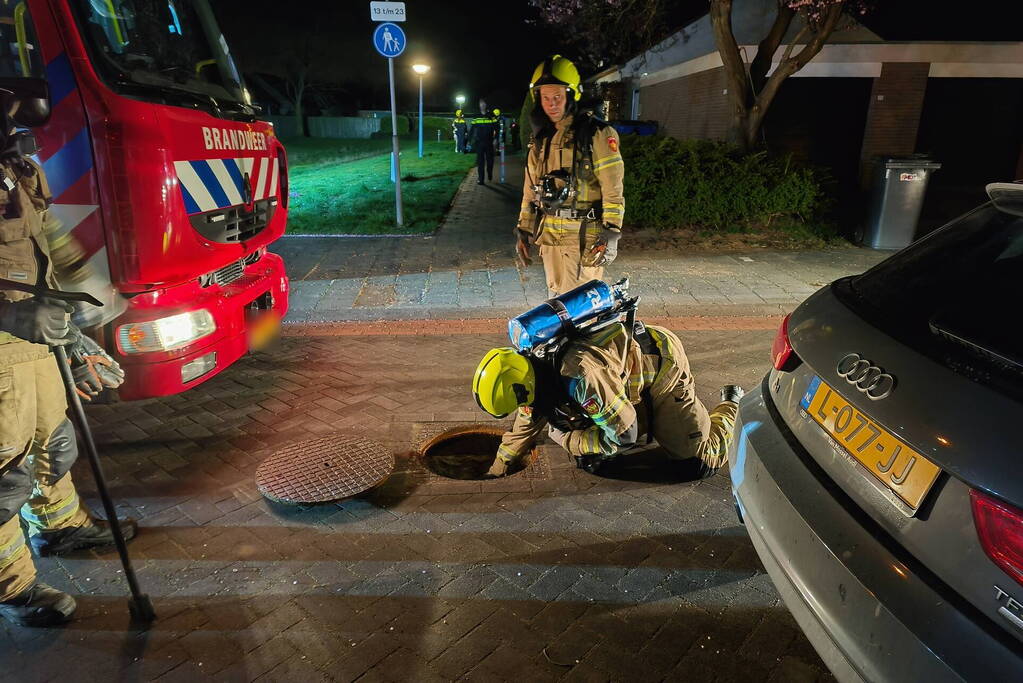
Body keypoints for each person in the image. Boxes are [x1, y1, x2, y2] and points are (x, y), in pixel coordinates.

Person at [0, 91, 135, 628]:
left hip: (36, 332)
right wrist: (8, 319)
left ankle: (60, 526)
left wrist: (78, 332)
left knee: (52, 438)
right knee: (5, 472)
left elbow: (47, 242)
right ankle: (13, 586)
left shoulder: (15, 168)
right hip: (9, 331)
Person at [472, 318, 744, 478]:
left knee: (695, 464)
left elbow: (626, 435)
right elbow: (524, 427)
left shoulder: (581, 378)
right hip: (617, 378)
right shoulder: (529, 371)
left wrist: (572, 441)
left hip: (662, 367)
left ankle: (732, 404)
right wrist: (498, 468)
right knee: (594, 456)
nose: (523, 409)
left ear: (524, 387)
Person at [515, 55, 625, 296]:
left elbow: (613, 189)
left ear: (571, 95)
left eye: (557, 97)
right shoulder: (541, 141)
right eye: (545, 97)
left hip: (584, 240)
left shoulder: (596, 134)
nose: (551, 104)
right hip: (550, 239)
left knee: (583, 314)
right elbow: (530, 191)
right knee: (559, 310)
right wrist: (523, 229)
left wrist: (612, 233)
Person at [469, 99, 497, 185]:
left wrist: (496, 139)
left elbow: (497, 128)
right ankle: (481, 179)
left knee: (490, 161)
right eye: (481, 103)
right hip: (479, 142)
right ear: (479, 105)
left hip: (489, 142)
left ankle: (489, 172)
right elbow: (472, 129)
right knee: (480, 162)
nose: (482, 105)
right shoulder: (476, 116)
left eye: (484, 103)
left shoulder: (491, 116)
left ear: (486, 104)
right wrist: (469, 141)